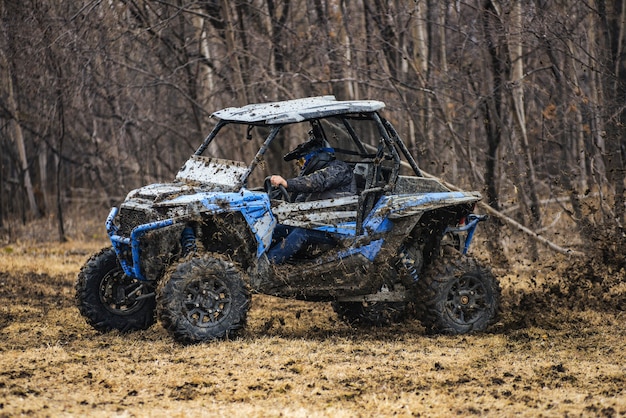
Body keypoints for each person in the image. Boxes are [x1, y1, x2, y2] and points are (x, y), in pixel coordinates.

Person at [266, 128, 356, 264]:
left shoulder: (339, 169)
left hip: (339, 228)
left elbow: (318, 181)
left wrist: (287, 183)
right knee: (275, 228)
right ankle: (253, 259)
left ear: (316, 157)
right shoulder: (311, 181)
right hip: (318, 224)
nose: (302, 166)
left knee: (301, 233)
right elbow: (298, 203)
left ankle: (267, 267)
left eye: (302, 161)